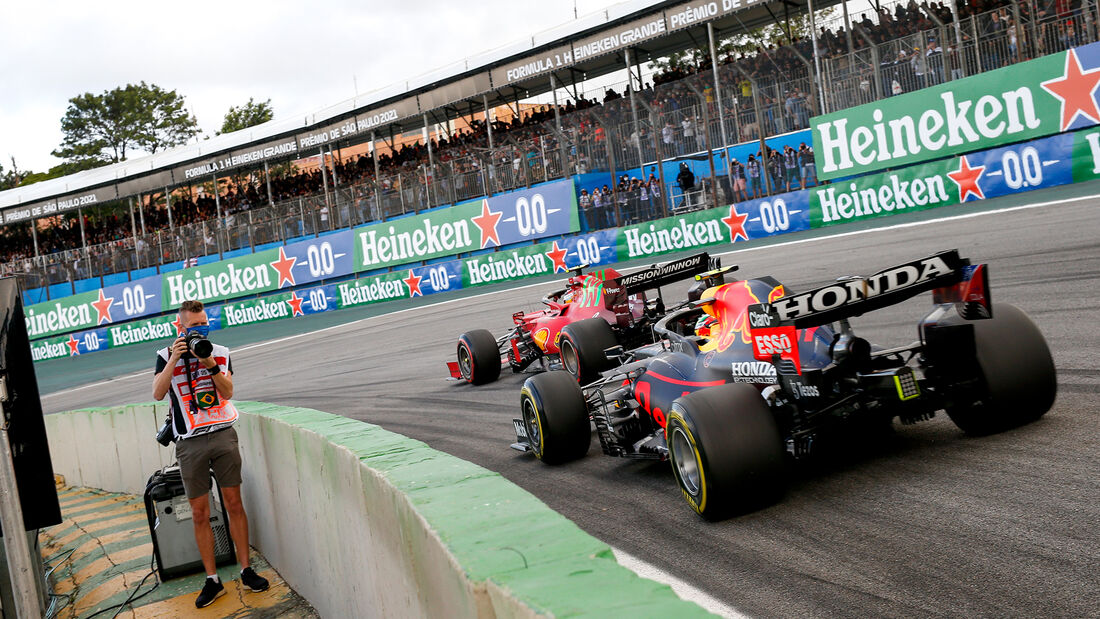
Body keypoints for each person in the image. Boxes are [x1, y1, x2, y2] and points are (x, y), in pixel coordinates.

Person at [152, 300, 269, 608]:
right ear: (180, 328)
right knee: (200, 513)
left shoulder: (220, 352)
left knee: (234, 504)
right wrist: (174, 358)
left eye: (204, 323)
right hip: (189, 442)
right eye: (194, 326)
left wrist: (209, 364)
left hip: (222, 434)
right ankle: (212, 579)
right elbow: (158, 392)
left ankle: (246, 570)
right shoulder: (165, 355)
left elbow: (228, 391)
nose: (200, 330)